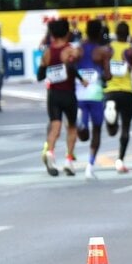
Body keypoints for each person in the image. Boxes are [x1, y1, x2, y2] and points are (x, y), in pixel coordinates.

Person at [39, 18, 81, 176]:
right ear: (67, 32)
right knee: (71, 126)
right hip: (68, 93)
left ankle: (50, 152)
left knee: (55, 127)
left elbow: (40, 75)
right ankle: (69, 160)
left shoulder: (48, 52)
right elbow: (73, 66)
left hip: (53, 94)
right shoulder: (70, 50)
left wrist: (49, 69)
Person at [73, 20, 112, 178]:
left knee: (84, 135)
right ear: (99, 33)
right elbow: (108, 75)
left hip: (79, 92)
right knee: (96, 130)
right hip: (95, 93)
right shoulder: (102, 52)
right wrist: (104, 75)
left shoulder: (78, 50)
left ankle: (80, 123)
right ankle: (90, 164)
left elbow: (71, 67)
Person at [103, 20, 132, 173]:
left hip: (110, 90)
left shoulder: (108, 49)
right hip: (126, 91)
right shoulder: (130, 50)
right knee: (126, 127)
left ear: (116, 34)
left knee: (112, 130)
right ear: (128, 35)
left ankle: (111, 116)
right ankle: (120, 160)